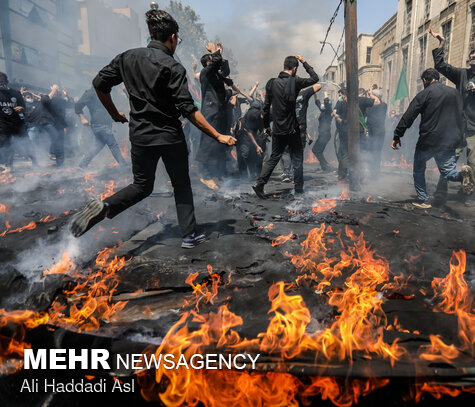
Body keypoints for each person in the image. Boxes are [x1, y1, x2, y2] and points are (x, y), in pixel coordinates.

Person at [69, 9, 236, 248]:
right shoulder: (173, 67)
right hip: (169, 136)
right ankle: (189, 236)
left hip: (140, 136)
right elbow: (189, 110)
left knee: (141, 185)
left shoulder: (127, 57)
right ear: (173, 37)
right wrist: (218, 135)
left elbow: (99, 84)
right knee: (181, 184)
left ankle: (107, 206)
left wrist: (114, 113)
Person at [429, 28, 475, 199]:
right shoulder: (462, 74)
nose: (473, 55)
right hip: (458, 127)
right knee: (448, 160)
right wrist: (442, 43)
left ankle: (470, 194)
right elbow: (440, 66)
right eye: (472, 53)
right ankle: (441, 191)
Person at [392, 68, 474, 209]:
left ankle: (423, 199)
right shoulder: (454, 93)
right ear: (439, 79)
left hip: (428, 140)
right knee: (448, 172)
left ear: (425, 80)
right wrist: (460, 137)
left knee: (418, 168)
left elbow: (409, 115)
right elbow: (462, 117)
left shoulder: (425, 93)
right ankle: (462, 176)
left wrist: (397, 135)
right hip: (449, 140)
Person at [252, 55, 319, 198]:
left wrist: (266, 127)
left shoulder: (271, 83)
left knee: (274, 157)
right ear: (294, 69)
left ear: (284, 66)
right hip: (292, 129)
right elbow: (315, 79)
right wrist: (304, 61)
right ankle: (299, 190)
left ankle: (259, 185)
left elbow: (265, 108)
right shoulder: (295, 81)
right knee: (297, 159)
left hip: (277, 129)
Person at [195, 41, 232, 179]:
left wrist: (220, 56)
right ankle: (205, 173)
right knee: (210, 142)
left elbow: (226, 71)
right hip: (211, 112)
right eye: (212, 60)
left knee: (219, 143)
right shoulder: (205, 73)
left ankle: (218, 173)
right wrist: (214, 52)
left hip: (220, 112)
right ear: (207, 63)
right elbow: (215, 63)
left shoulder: (216, 74)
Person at [75, 86, 127, 168]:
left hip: (103, 125)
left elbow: (104, 110)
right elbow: (78, 105)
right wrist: (83, 118)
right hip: (100, 125)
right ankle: (124, 165)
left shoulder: (104, 93)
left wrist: (117, 116)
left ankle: (83, 164)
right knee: (113, 145)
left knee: (96, 147)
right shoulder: (90, 92)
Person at [0, 71, 26, 171]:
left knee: (9, 144)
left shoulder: (15, 93)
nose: (0, 83)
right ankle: (3, 163)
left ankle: (8, 166)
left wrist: (21, 109)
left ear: (6, 81)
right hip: (1, 123)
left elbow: (23, 108)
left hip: (14, 123)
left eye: (2, 81)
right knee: (3, 143)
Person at [365, 85, 388, 175]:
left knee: (376, 152)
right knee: (370, 151)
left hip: (378, 133)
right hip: (370, 132)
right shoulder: (370, 106)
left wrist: (371, 94)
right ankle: (371, 170)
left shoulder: (383, 105)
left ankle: (375, 172)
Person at [312, 90, 333, 172]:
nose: (322, 104)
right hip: (323, 135)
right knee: (318, 151)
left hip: (325, 135)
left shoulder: (328, 112)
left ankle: (325, 166)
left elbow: (327, 103)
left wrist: (325, 95)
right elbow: (317, 103)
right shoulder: (323, 111)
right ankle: (325, 166)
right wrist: (314, 93)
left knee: (315, 150)